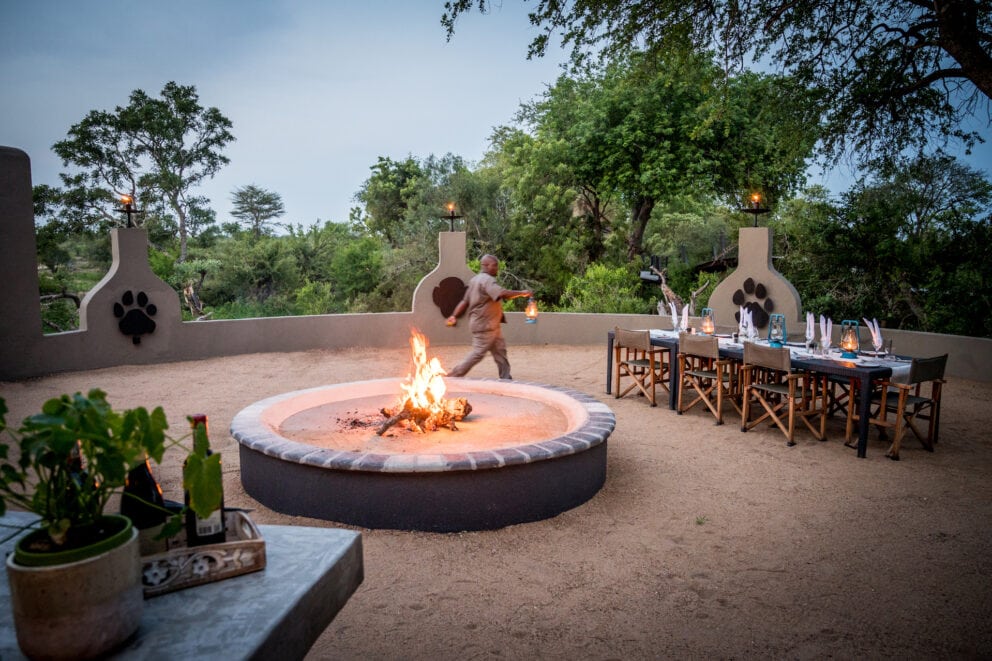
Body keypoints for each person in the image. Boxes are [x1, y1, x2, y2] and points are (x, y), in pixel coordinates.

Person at [446, 254, 532, 380]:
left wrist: (454, 315)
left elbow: (465, 301)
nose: (497, 268)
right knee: (478, 353)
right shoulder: (487, 280)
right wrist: (522, 293)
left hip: (491, 325)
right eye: (494, 265)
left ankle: (506, 378)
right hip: (485, 325)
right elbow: (502, 293)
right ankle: (453, 376)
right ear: (485, 266)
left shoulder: (474, 280)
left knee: (500, 352)